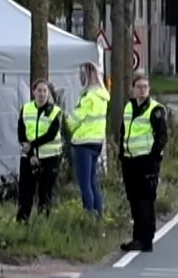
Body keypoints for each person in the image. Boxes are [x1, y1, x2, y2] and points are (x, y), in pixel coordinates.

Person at [117, 74, 170, 252]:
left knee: (145, 201)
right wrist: (121, 155)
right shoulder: (128, 107)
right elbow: (123, 132)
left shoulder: (155, 110)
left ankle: (146, 239)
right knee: (134, 200)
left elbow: (162, 137)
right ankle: (137, 238)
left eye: (145, 87)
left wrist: (152, 158)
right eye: (139, 87)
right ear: (132, 89)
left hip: (146, 162)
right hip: (130, 161)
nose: (142, 90)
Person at [67, 61, 111, 219]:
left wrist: (66, 120)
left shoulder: (88, 97)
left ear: (87, 76)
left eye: (82, 75)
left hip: (83, 142)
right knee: (93, 182)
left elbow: (74, 120)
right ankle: (99, 216)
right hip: (97, 141)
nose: (80, 78)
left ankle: (89, 217)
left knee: (85, 184)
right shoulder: (102, 96)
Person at [16, 80, 64, 221]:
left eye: (45, 91)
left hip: (49, 157)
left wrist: (32, 145)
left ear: (48, 93)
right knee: (25, 193)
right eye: (39, 90)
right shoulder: (26, 109)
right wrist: (31, 154)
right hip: (28, 158)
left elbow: (51, 134)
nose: (42, 94)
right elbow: (21, 133)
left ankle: (43, 223)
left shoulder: (54, 111)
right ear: (33, 92)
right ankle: (22, 222)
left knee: (45, 193)